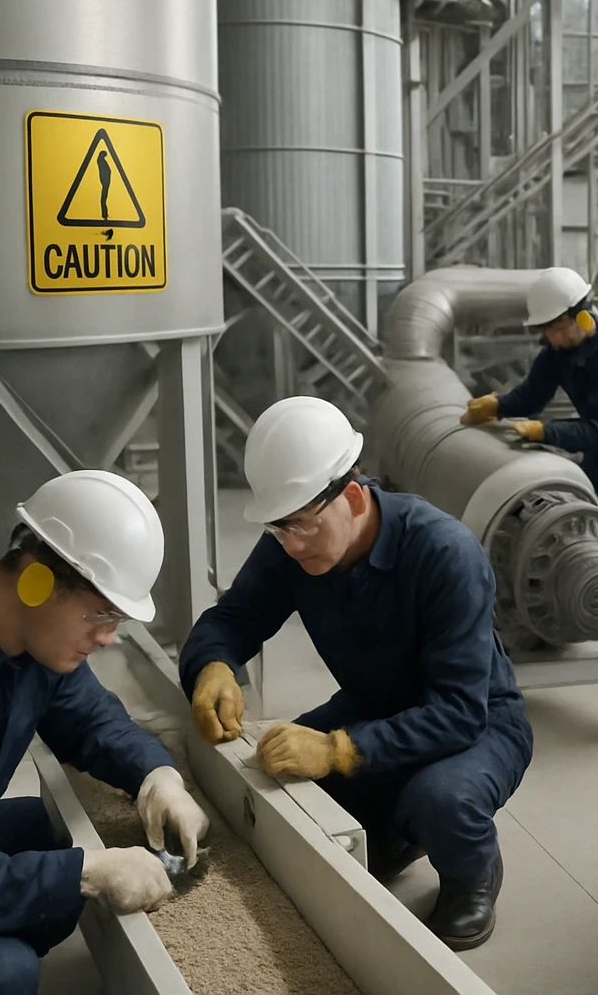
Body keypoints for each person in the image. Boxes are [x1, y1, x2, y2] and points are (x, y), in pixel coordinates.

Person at [179, 396, 533, 951]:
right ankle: (395, 830)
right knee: (274, 767)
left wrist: (341, 750)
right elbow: (234, 617)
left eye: (301, 527)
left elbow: (459, 711)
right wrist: (213, 666)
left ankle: (473, 873)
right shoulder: (292, 539)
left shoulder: (445, 554)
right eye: (278, 530)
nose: (292, 546)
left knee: (440, 799)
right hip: (374, 705)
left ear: (351, 494)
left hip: (477, 721)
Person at [0, 470, 209, 995]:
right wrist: (87, 871)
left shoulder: (32, 646)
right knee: (0, 971)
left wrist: (159, 776)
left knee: (39, 826)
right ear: (37, 581)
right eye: (100, 613)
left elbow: (94, 720)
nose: (109, 637)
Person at [461, 267, 598, 585]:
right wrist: (498, 405)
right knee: (587, 527)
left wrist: (543, 431)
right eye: (545, 330)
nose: (551, 338)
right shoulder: (561, 349)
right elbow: (533, 394)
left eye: (556, 328)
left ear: (583, 317)